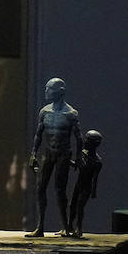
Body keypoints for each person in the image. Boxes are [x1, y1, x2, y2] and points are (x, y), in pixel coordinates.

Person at [26, 77, 83, 237]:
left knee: (60, 190)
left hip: (63, 156)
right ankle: (40, 227)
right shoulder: (45, 112)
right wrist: (33, 154)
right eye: (46, 88)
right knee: (40, 188)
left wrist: (79, 157)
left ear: (60, 91)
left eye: (49, 89)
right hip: (47, 155)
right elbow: (38, 135)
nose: (46, 91)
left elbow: (79, 138)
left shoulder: (71, 114)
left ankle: (66, 227)